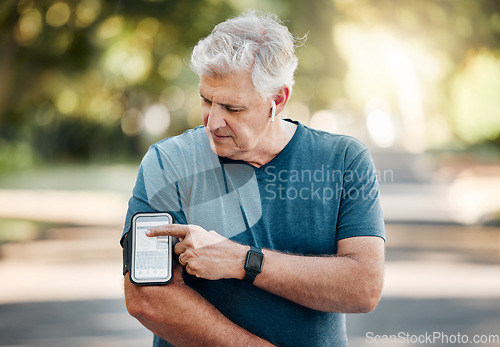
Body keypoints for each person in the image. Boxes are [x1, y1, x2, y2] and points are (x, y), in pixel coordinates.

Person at [122, 10, 385, 346]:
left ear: (277, 100)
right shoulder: (168, 162)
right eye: (206, 100)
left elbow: (362, 288)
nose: (213, 121)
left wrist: (243, 261)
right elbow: (145, 296)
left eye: (232, 108)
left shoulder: (344, 161)